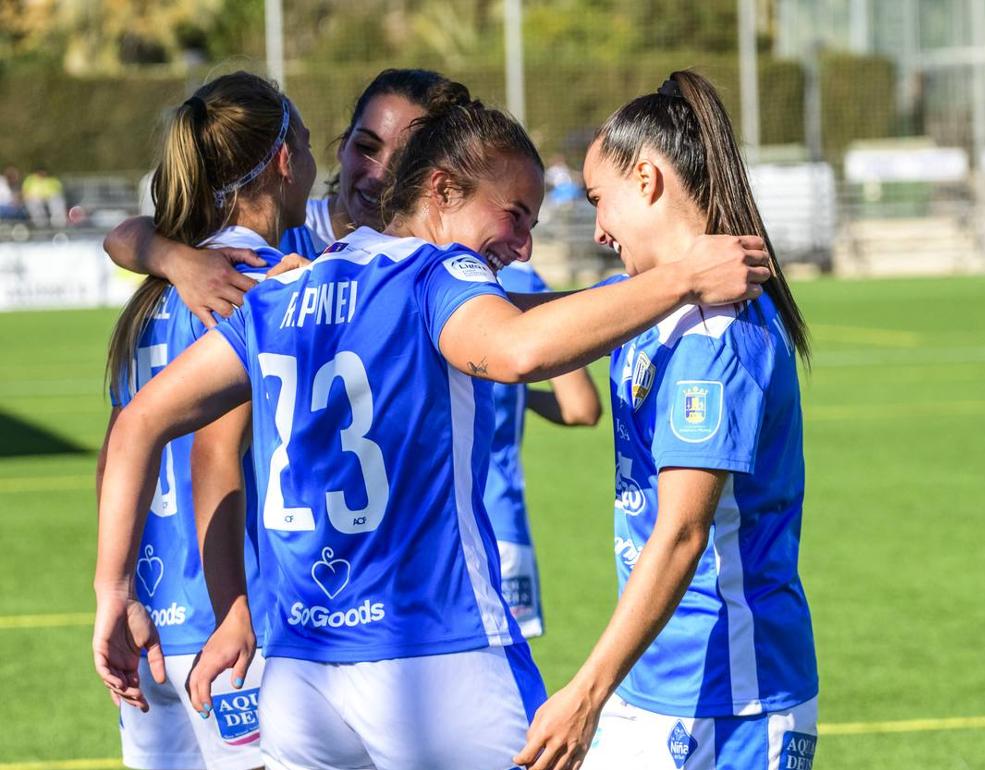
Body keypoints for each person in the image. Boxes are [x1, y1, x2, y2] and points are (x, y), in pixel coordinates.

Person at [93, 79, 770, 769]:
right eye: (514, 215)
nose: (524, 246)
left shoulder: (286, 290)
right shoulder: (436, 275)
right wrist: (681, 281)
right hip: (435, 661)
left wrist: (111, 593)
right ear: (442, 193)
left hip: (302, 679)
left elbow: (138, 423)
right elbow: (518, 349)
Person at [512, 70, 818, 770]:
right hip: (661, 683)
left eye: (599, 201)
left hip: (727, 699)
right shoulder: (650, 301)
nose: (596, 228)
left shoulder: (715, 336)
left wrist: (585, 693)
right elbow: (527, 327)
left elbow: (683, 533)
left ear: (647, 180)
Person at [94, 71, 317, 770]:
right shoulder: (255, 282)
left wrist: (117, 588)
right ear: (285, 161)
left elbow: (117, 449)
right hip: (229, 621)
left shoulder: (160, 289)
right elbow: (211, 457)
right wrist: (233, 609)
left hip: (148, 613)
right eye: (308, 144)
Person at [105, 68, 448, 327]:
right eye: (366, 147)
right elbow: (121, 238)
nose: (379, 173)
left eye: (405, 157)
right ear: (343, 145)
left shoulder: (432, 256)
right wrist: (177, 260)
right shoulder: (278, 238)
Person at [489, 261, 601, 639]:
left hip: (427, 525)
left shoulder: (417, 270)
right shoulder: (522, 279)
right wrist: (516, 394)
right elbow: (579, 407)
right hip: (501, 519)